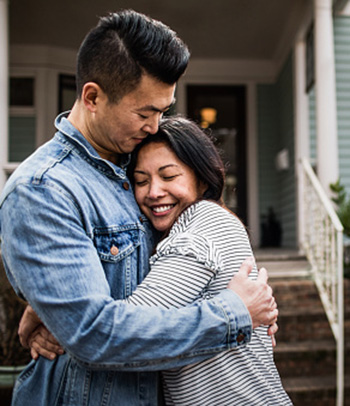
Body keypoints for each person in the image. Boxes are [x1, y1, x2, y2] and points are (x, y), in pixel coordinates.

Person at [0, 10, 277, 406]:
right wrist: (233, 315)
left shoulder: (132, 164)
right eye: (145, 113)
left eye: (163, 111)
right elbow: (96, 334)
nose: (155, 125)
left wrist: (47, 311)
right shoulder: (44, 190)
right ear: (92, 97)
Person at [29, 116, 290, 405]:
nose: (154, 192)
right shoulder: (167, 235)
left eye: (168, 176)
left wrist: (59, 318)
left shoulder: (204, 221)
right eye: (141, 181)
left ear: (202, 179)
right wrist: (46, 305)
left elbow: (124, 333)